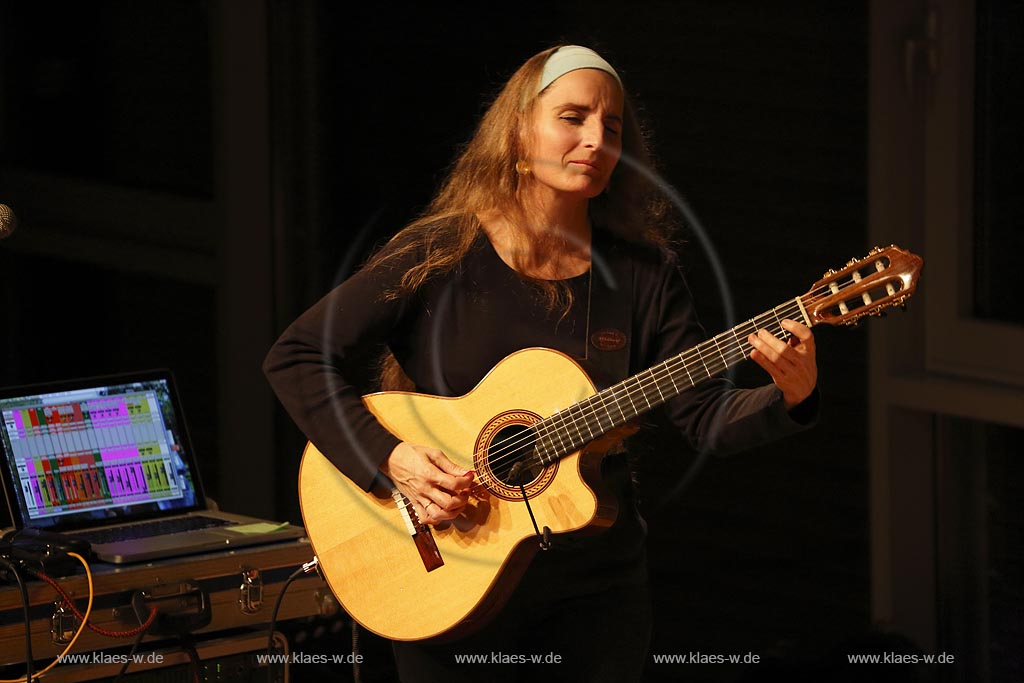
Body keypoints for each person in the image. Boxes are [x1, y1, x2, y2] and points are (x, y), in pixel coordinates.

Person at [263, 45, 818, 682]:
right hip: (448, 570)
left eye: (611, 127)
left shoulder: (641, 273)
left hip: (594, 596)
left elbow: (704, 418)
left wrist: (790, 397)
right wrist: (390, 458)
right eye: (573, 117)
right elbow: (296, 355)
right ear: (520, 133)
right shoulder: (441, 251)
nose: (595, 139)